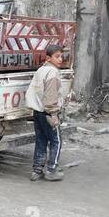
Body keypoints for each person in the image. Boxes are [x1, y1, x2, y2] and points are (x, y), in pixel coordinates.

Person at [25, 44, 66, 181]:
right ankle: (51, 170)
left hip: (37, 112)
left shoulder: (41, 70)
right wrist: (53, 114)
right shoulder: (53, 73)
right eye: (57, 57)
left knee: (41, 140)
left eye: (61, 56)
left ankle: (37, 170)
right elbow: (50, 95)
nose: (60, 59)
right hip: (48, 112)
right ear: (48, 58)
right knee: (56, 141)